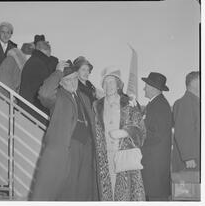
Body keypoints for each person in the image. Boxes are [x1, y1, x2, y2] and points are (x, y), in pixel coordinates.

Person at [29, 60, 98, 201]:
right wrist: (58, 72)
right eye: (68, 79)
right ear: (61, 82)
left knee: (80, 190)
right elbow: (45, 93)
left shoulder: (84, 97)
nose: (73, 82)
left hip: (85, 148)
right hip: (68, 147)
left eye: (74, 78)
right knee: (65, 190)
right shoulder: (58, 96)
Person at [93, 67, 146, 201]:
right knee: (106, 192)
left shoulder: (128, 103)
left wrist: (124, 132)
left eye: (112, 82)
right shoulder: (96, 105)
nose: (108, 86)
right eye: (105, 83)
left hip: (123, 155)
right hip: (104, 157)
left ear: (118, 85)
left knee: (125, 193)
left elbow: (141, 130)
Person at [141, 72, 173, 201]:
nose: (144, 88)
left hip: (155, 165)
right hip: (153, 163)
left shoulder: (159, 106)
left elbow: (157, 135)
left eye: (146, 86)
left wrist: (137, 138)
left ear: (153, 88)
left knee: (157, 198)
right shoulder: (156, 104)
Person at [19, 34, 58, 115]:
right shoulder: (40, 64)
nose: (50, 56)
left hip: (26, 106)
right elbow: (45, 88)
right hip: (33, 109)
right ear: (46, 50)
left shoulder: (33, 61)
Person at [172, 71, 200, 172]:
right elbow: (183, 131)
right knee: (191, 187)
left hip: (196, 159)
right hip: (191, 162)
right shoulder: (185, 102)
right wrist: (189, 157)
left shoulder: (195, 102)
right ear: (193, 83)